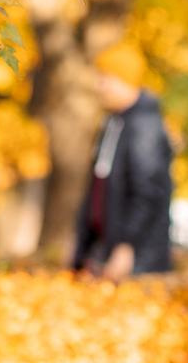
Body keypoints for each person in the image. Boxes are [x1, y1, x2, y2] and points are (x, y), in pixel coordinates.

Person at [71, 62, 174, 278]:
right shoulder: (114, 122)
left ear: (125, 80)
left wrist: (127, 246)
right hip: (105, 251)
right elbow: (99, 185)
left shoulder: (144, 126)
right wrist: (83, 249)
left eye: (105, 78)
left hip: (134, 261)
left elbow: (148, 192)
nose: (100, 86)